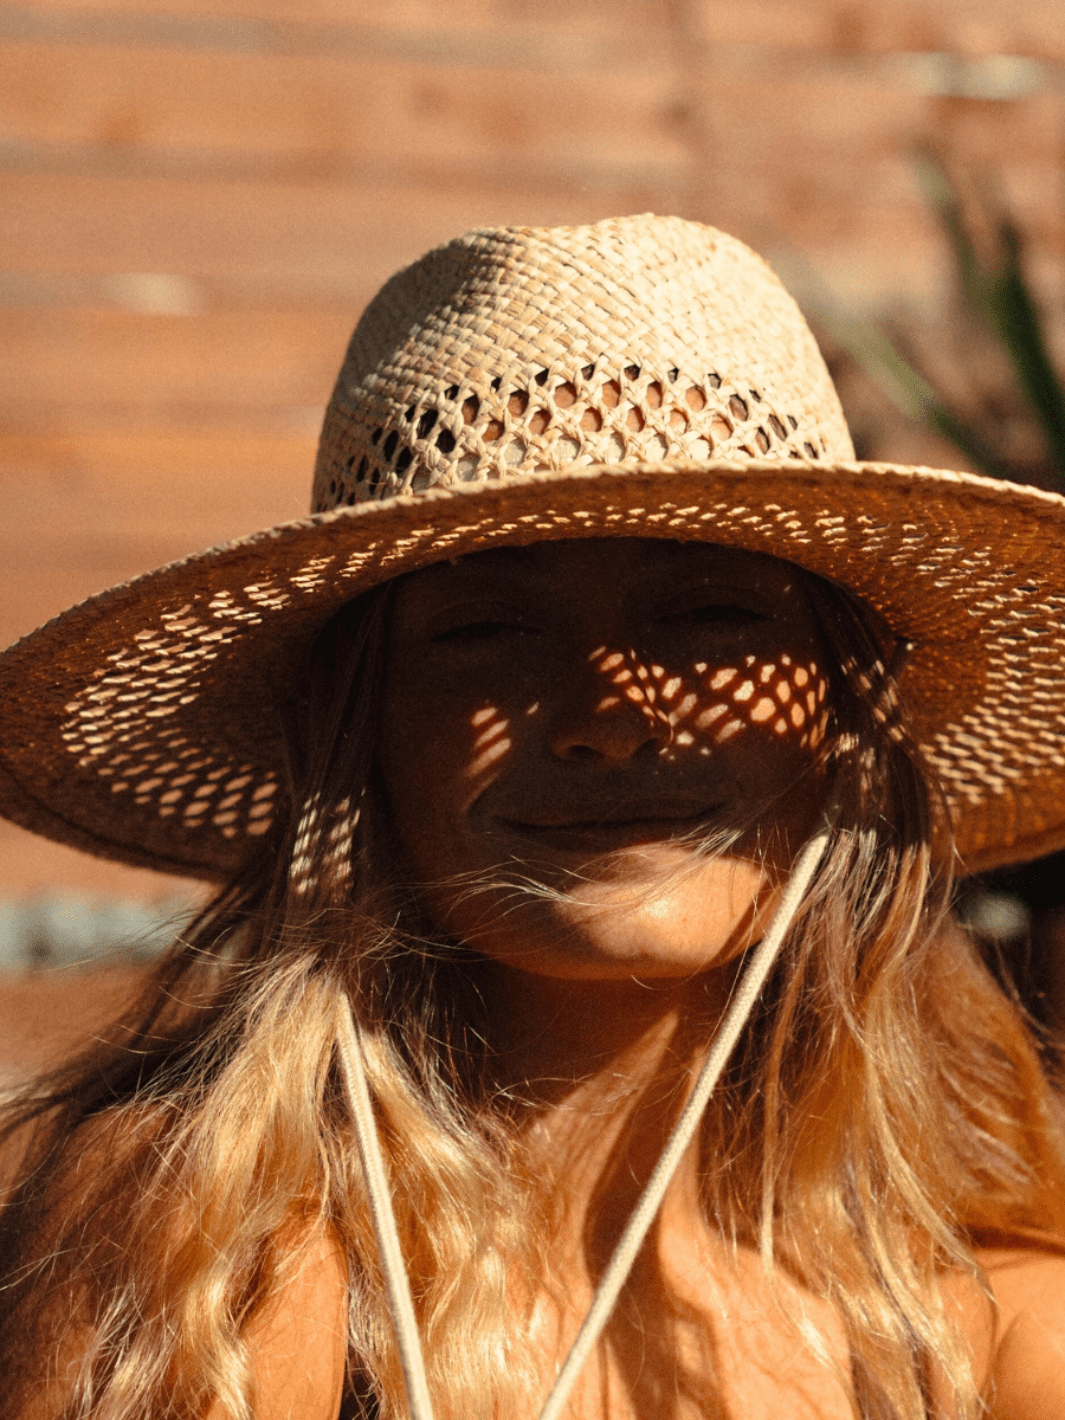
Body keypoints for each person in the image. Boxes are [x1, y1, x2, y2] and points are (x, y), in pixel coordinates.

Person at [1, 214, 1065, 1420]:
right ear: (360, 729)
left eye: (711, 614)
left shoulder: (964, 1345)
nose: (612, 715)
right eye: (488, 629)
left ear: (844, 718)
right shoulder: (221, 1257)